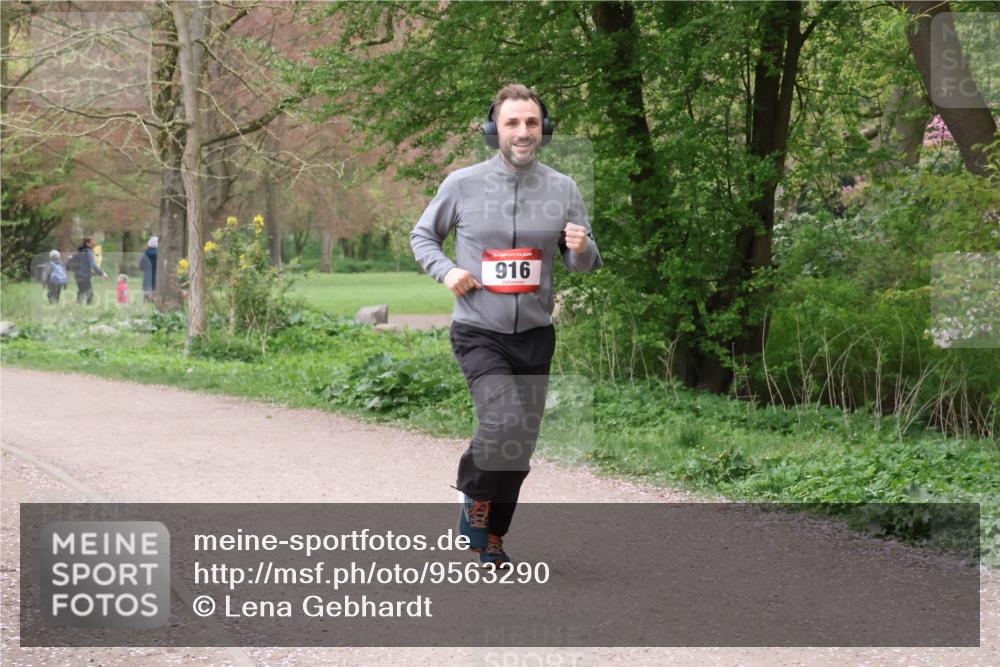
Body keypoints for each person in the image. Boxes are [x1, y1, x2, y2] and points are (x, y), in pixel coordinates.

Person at [410, 83, 602, 567]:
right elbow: (423, 237)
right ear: (494, 129)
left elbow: (585, 264)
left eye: (532, 123)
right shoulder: (463, 184)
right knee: (502, 419)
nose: (522, 131)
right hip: (478, 329)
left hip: (535, 334)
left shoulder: (563, 189)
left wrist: (581, 248)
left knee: (518, 447)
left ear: (545, 130)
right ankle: (473, 491)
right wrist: (448, 270)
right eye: (512, 122)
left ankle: (493, 537)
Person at [71, 237, 108, 304]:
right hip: (84, 276)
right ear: (87, 243)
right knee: (90, 294)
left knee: (81, 291)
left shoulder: (80, 251)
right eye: (92, 242)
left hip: (77, 275)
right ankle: (88, 307)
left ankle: (78, 305)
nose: (94, 243)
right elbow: (93, 265)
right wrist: (102, 273)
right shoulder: (88, 252)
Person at [140, 236, 158, 303]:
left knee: (147, 290)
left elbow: (141, 266)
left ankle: (147, 297)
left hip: (147, 275)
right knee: (154, 290)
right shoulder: (159, 254)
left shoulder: (145, 253)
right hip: (156, 275)